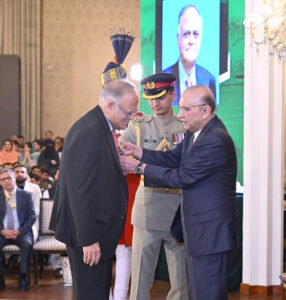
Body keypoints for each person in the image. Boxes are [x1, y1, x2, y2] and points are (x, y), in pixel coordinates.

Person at [119, 85, 239, 300]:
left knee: (208, 294)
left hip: (210, 235)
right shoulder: (196, 134)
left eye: (185, 109)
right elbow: (171, 158)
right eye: (180, 108)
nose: (180, 114)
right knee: (198, 293)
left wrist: (138, 168)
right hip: (198, 232)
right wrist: (138, 152)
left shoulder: (215, 139)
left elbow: (182, 177)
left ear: (205, 110)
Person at [49, 79, 139, 300]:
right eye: (128, 113)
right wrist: (88, 239)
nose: (130, 119)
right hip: (88, 236)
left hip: (96, 232)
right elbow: (81, 191)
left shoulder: (100, 125)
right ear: (110, 105)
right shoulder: (90, 130)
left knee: (97, 291)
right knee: (92, 294)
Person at [119, 73, 188, 300]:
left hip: (179, 209)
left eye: (160, 97)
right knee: (140, 278)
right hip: (148, 208)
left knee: (181, 280)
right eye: (150, 99)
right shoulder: (139, 126)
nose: (155, 103)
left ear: (172, 94)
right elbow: (118, 151)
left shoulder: (185, 126)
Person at [163, 5, 216, 105]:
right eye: (186, 34)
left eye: (196, 34)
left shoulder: (209, 80)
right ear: (178, 39)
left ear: (201, 39)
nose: (191, 41)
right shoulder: (164, 79)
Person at [0, 168, 36, 291]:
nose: (6, 181)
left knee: (27, 244)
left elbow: (32, 216)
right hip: (3, 233)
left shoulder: (26, 195)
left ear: (14, 178)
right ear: (0, 182)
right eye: (3, 179)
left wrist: (20, 231)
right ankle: (0, 278)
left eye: (8, 178)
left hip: (21, 232)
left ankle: (23, 276)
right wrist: (2, 231)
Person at [13, 165, 41, 242]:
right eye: (17, 172)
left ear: (26, 174)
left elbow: (37, 210)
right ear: (13, 174)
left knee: (27, 240)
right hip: (12, 222)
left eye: (22, 172)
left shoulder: (35, 188)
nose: (20, 174)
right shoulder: (9, 188)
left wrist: (24, 221)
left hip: (31, 222)